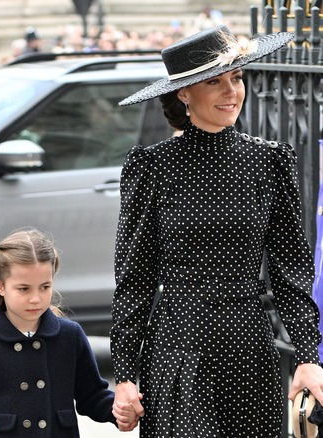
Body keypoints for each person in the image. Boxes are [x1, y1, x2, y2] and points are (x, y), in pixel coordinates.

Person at [112, 25, 323, 436]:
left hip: (249, 350)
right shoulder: (150, 167)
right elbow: (133, 278)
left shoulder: (271, 162)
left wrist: (307, 356)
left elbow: (291, 271)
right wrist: (123, 375)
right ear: (184, 93)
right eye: (215, 81)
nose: (232, 92)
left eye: (237, 77)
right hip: (178, 350)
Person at [0, 228, 138, 437]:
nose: (36, 298)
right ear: (0, 286)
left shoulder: (69, 336)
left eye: (44, 287)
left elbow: (92, 396)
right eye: (24, 289)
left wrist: (118, 411)